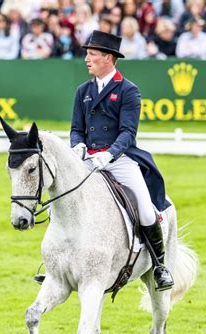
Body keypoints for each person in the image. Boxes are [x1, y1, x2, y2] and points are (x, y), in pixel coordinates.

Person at [70, 30, 174, 291]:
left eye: (92, 55)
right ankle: (59, 263)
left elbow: (128, 132)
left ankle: (160, 266)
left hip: (120, 158)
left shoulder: (128, 91)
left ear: (108, 58)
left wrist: (109, 154)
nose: (87, 59)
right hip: (89, 159)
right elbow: (76, 128)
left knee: (146, 210)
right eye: (87, 54)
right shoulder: (82, 90)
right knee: (64, 199)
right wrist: (78, 146)